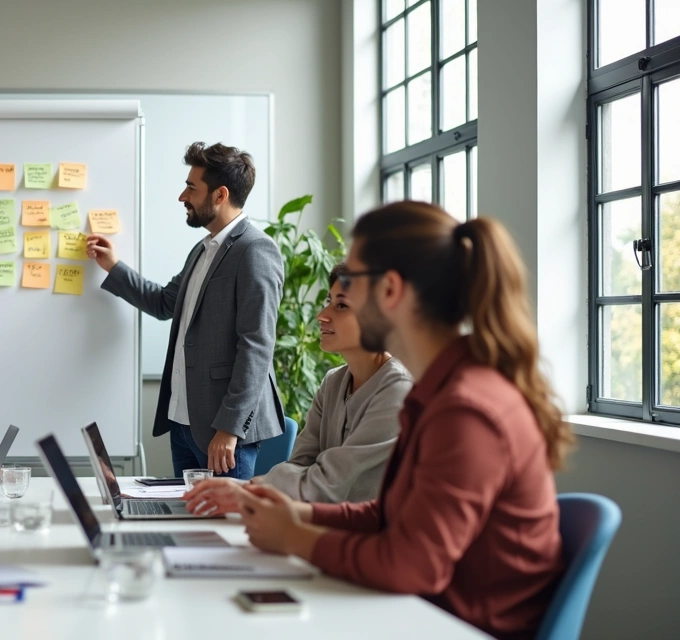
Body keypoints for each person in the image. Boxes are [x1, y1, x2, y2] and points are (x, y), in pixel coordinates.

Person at [190, 202, 574, 640]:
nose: (332, 302)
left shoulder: (466, 410)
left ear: (390, 290)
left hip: (454, 624)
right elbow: (391, 514)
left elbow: (412, 566)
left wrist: (297, 537)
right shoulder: (439, 391)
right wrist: (296, 514)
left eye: (349, 282)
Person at [86, 142, 286, 480]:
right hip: (184, 422)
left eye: (191, 188)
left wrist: (230, 429)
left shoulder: (255, 251)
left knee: (222, 529)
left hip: (222, 431)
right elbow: (165, 302)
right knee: (190, 525)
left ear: (220, 195)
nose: (182, 196)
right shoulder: (202, 249)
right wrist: (113, 266)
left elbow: (257, 346)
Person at [187, 267, 412, 508]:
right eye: (328, 301)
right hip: (320, 526)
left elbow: (329, 482)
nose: (322, 315)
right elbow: (300, 463)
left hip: (368, 537)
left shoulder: (399, 391)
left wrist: (247, 490)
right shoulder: (333, 382)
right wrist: (247, 489)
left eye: (341, 306)